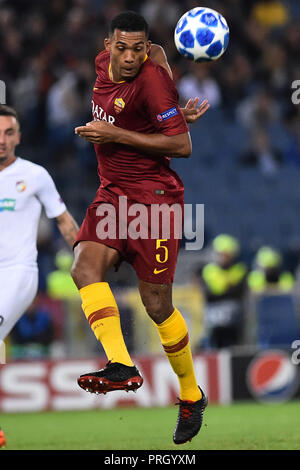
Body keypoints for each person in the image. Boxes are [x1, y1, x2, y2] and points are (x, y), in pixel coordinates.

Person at [71, 11, 209, 445]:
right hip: (113, 193)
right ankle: (120, 364)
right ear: (107, 43)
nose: (130, 57)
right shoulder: (102, 65)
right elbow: (164, 54)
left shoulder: (150, 80)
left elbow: (182, 145)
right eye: (121, 47)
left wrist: (118, 133)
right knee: (82, 268)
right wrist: (168, 113)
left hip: (154, 201)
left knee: (156, 305)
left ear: (144, 47)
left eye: (138, 48)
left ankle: (191, 395)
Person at [0, 104, 79, 342]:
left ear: (18, 137)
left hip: (18, 271)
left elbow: (64, 222)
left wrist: (86, 263)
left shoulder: (34, 175)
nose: (2, 140)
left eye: (8, 133)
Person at [198, 234, 248, 349]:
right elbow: (208, 295)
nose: (223, 257)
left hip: (235, 321)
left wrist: (221, 292)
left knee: (235, 347)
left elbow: (239, 293)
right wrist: (228, 290)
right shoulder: (208, 270)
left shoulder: (240, 270)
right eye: (221, 254)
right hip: (212, 321)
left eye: (226, 254)